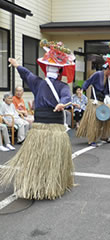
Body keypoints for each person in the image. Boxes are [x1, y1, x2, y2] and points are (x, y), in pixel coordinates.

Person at [0, 38, 75, 200]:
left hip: (40, 128)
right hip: (53, 129)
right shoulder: (61, 86)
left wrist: (16, 65)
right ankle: (50, 184)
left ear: (46, 69)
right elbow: (67, 98)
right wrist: (62, 104)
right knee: (52, 159)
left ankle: (40, 184)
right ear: (61, 71)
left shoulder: (38, 83)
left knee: (40, 158)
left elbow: (26, 73)